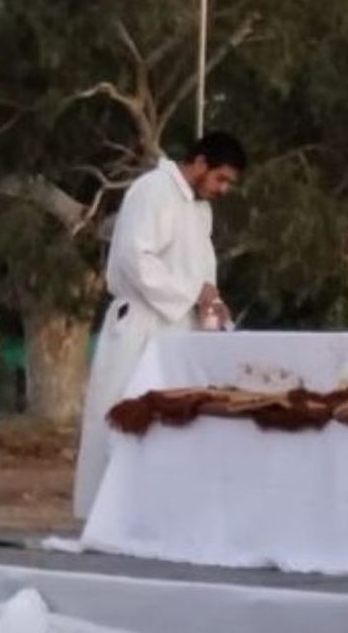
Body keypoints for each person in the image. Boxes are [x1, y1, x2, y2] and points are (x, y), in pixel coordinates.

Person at [72, 131, 247, 518]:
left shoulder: (201, 211)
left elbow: (202, 274)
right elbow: (136, 260)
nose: (223, 189)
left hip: (181, 331)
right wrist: (189, 294)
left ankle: (157, 515)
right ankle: (108, 514)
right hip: (142, 324)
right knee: (125, 416)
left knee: (174, 426)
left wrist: (212, 304)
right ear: (199, 163)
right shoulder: (152, 191)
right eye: (221, 179)